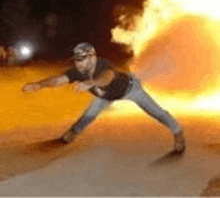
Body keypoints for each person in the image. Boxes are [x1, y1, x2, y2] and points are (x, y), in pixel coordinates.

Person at [22, 42, 186, 154]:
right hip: (106, 96)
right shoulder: (77, 71)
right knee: (88, 115)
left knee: (156, 112)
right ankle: (72, 133)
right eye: (76, 60)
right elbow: (59, 79)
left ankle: (178, 133)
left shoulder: (103, 64)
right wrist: (39, 85)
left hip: (130, 88)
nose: (78, 64)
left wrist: (92, 82)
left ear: (92, 57)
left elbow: (107, 77)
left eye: (82, 59)